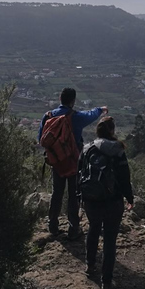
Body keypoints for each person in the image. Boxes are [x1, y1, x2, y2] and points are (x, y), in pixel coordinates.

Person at [39, 87, 107, 238]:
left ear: (60, 99)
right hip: (73, 161)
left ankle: (53, 226)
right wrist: (100, 109)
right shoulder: (75, 116)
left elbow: (41, 139)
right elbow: (90, 115)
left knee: (56, 192)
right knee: (73, 194)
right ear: (73, 101)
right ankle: (73, 228)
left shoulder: (48, 116)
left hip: (56, 161)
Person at [80, 115, 134, 289]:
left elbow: (80, 173)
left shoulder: (87, 148)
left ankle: (89, 265)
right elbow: (124, 177)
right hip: (112, 201)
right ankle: (107, 281)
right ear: (112, 131)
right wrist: (129, 198)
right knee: (110, 239)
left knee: (93, 229)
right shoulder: (118, 150)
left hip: (91, 199)